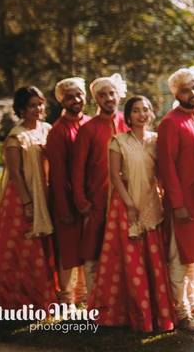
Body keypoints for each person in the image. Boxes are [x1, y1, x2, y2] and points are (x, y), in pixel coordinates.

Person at [89, 96, 175, 332]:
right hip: (125, 205)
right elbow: (115, 177)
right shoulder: (118, 141)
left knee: (153, 258)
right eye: (136, 110)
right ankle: (130, 314)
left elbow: (162, 172)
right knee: (129, 258)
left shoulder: (156, 140)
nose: (141, 114)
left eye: (146, 109)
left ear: (151, 114)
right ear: (128, 116)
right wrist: (128, 204)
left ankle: (157, 313)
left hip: (150, 203)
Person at [0, 86, 57, 309]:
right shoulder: (16, 137)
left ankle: (40, 298)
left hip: (43, 195)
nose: (38, 109)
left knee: (42, 246)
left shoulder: (47, 129)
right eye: (32, 105)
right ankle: (11, 301)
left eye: (40, 104)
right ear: (21, 110)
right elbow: (15, 174)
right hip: (20, 199)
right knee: (20, 247)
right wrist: (27, 203)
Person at [157, 66, 194, 331]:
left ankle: (192, 302)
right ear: (176, 94)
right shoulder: (170, 122)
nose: (193, 92)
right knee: (179, 257)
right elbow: (166, 167)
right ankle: (181, 313)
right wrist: (177, 204)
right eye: (186, 89)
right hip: (182, 201)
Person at [71, 73, 130, 292]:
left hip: (126, 197)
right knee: (92, 248)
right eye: (103, 95)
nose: (108, 99)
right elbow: (77, 169)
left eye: (111, 93)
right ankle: (93, 297)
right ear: (96, 99)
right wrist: (81, 200)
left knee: (123, 247)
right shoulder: (88, 129)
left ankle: (119, 294)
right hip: (97, 198)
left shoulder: (128, 121)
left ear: (118, 95)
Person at [45, 77, 90, 305]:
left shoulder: (90, 123)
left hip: (90, 198)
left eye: (79, 94)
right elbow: (58, 174)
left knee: (87, 248)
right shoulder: (58, 131)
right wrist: (64, 207)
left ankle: (84, 294)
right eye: (70, 96)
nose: (76, 100)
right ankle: (66, 297)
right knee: (68, 251)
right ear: (62, 100)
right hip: (66, 198)